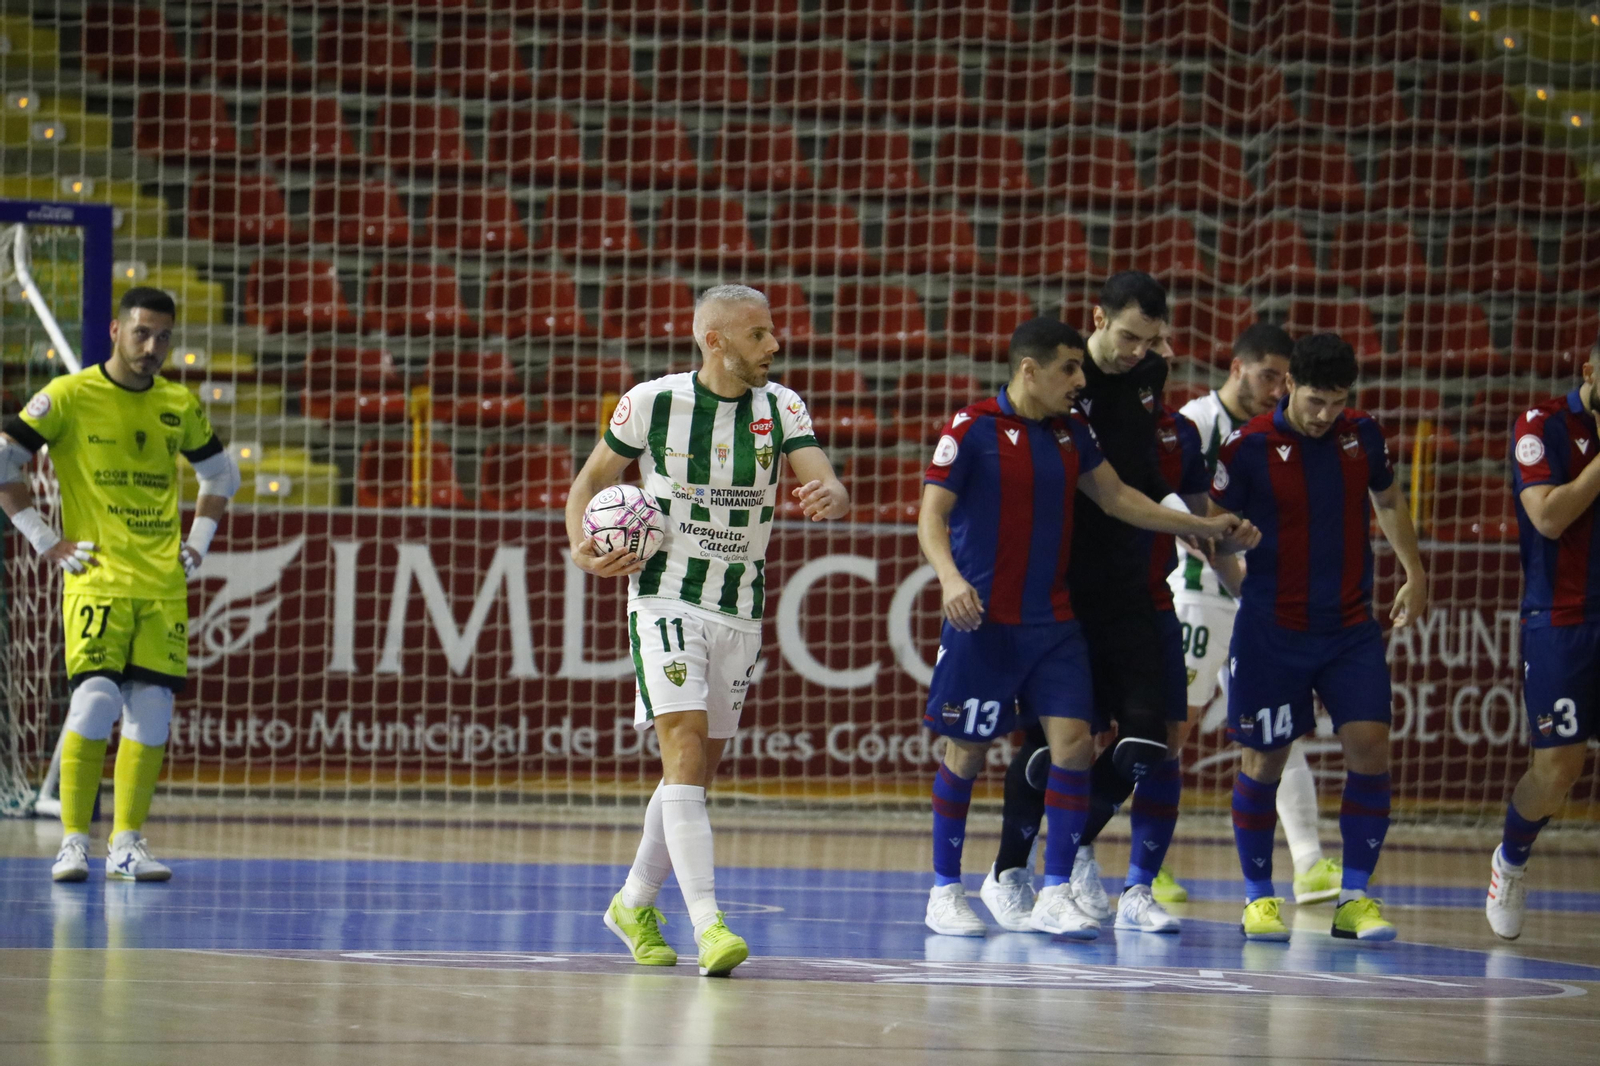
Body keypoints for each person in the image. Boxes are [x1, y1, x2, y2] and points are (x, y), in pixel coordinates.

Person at [917, 317, 1250, 938]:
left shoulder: (1073, 433)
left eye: (1081, 367)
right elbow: (930, 516)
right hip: (984, 620)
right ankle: (944, 889)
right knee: (965, 753)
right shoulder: (972, 429)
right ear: (1029, 370)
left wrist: (1203, 529)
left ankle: (1053, 891)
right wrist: (950, 579)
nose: (1079, 380)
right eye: (1069, 369)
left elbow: (1119, 497)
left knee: (1073, 746)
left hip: (1054, 624)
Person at [570, 284, 848, 977]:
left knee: (692, 771)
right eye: (759, 336)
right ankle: (708, 924)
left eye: (772, 334)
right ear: (715, 341)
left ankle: (634, 901)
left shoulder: (781, 407)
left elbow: (823, 477)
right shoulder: (652, 403)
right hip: (664, 595)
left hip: (741, 605)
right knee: (685, 748)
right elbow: (590, 482)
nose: (774, 346)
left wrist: (831, 493)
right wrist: (583, 547)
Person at [0, 288, 240, 883]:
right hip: (96, 579)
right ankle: (73, 843)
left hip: (161, 585)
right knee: (96, 698)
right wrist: (43, 538)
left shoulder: (176, 404)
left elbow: (221, 473)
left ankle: (128, 844)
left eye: (163, 336)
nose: (153, 346)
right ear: (115, 330)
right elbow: (4, 464)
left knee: (152, 710)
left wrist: (198, 543)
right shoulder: (69, 396)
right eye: (142, 333)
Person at [985, 273, 1201, 935]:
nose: (1140, 350)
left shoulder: (1149, 376)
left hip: (1133, 586)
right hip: (1062, 592)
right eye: (1130, 335)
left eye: (1153, 340)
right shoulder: (1064, 381)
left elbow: (1141, 475)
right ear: (1098, 318)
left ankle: (1073, 847)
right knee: (1053, 743)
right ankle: (1007, 873)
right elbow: (1098, 490)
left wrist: (1200, 525)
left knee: (1148, 741)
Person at [1210, 332, 1427, 942]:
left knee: (1370, 747)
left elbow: (1386, 497)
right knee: (1264, 760)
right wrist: (1234, 553)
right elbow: (1215, 532)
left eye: (1336, 403)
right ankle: (1259, 898)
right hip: (1273, 629)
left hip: (1350, 626)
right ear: (1287, 388)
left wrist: (1414, 571)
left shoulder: (1364, 435)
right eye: (1314, 402)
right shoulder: (1246, 447)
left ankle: (1355, 898)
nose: (1325, 415)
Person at [1168, 323, 1343, 906]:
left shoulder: (1280, 431)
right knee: (1174, 728)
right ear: (1237, 365)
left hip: (1257, 604)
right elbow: (1177, 509)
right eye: (1267, 375)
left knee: (1278, 730)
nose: (1276, 388)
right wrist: (1232, 571)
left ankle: (1311, 863)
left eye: (1281, 378)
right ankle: (1150, 859)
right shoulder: (1195, 421)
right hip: (1202, 596)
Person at [1487, 337, 1600, 939]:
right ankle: (1511, 860)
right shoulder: (1541, 425)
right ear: (1589, 370)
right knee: (1557, 770)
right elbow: (1548, 517)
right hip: (1561, 618)